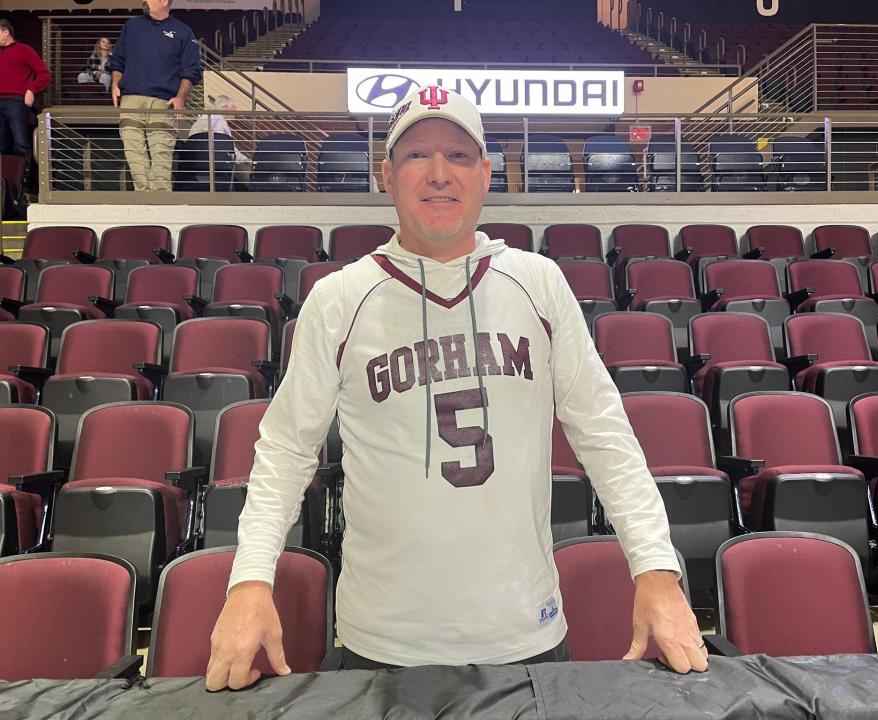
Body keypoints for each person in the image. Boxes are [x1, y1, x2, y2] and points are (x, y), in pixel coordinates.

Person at [205, 86, 708, 690]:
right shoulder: (338, 299)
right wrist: (250, 581)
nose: (439, 174)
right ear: (385, 175)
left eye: (460, 156)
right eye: (418, 155)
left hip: (525, 633)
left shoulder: (538, 284)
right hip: (380, 640)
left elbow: (604, 434)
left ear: (487, 173)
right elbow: (286, 451)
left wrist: (656, 569)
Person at [108, 0, 201, 191]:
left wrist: (181, 97)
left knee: (161, 154)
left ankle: (161, 202)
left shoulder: (183, 32)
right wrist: (116, 84)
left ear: (164, 1)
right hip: (130, 99)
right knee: (134, 154)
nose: (144, 1)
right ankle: (143, 199)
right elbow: (118, 61)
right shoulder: (131, 26)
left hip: (163, 102)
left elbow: (191, 70)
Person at [0, 18, 50, 184]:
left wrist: (31, 89)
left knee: (20, 143)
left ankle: (24, 185)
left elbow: (44, 74)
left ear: (5, 32)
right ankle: (5, 187)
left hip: (15, 102)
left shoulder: (24, 50)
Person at [188, 94, 251, 187]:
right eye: (233, 107)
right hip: (214, 166)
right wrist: (246, 159)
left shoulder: (201, 120)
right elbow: (225, 147)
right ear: (225, 107)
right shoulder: (219, 121)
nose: (235, 110)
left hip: (194, 163)